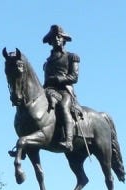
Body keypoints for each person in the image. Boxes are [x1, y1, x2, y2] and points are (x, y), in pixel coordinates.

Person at [42, 24, 81, 152]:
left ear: (63, 39)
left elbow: (74, 77)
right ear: (50, 42)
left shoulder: (71, 57)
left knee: (64, 107)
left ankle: (69, 141)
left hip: (64, 91)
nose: (57, 39)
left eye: (59, 37)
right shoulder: (47, 62)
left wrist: (58, 79)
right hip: (49, 91)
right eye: (54, 38)